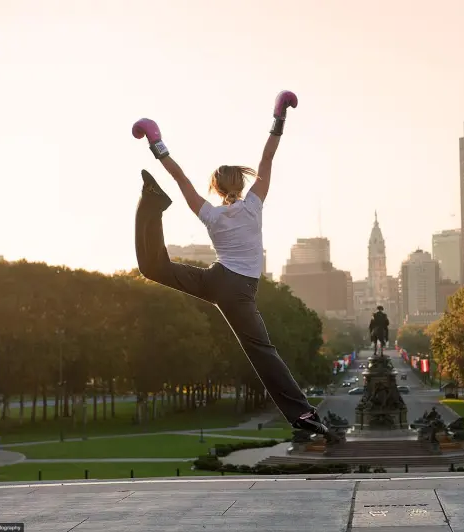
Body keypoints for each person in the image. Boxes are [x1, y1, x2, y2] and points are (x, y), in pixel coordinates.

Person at [131, 90, 335, 441]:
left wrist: (156, 142)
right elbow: (268, 157)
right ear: (241, 183)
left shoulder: (210, 214)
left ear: (215, 187)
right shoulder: (253, 205)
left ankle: (150, 203)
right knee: (261, 351)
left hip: (215, 281)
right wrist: (279, 115)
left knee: (153, 268)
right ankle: (302, 413)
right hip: (238, 291)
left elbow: (181, 178)